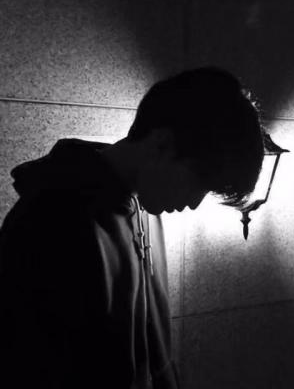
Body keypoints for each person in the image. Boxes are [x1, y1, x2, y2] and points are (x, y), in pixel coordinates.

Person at [0, 67, 264, 388]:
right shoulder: (48, 220)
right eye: (198, 182)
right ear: (161, 144)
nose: (194, 204)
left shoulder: (145, 208)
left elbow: (154, 354)